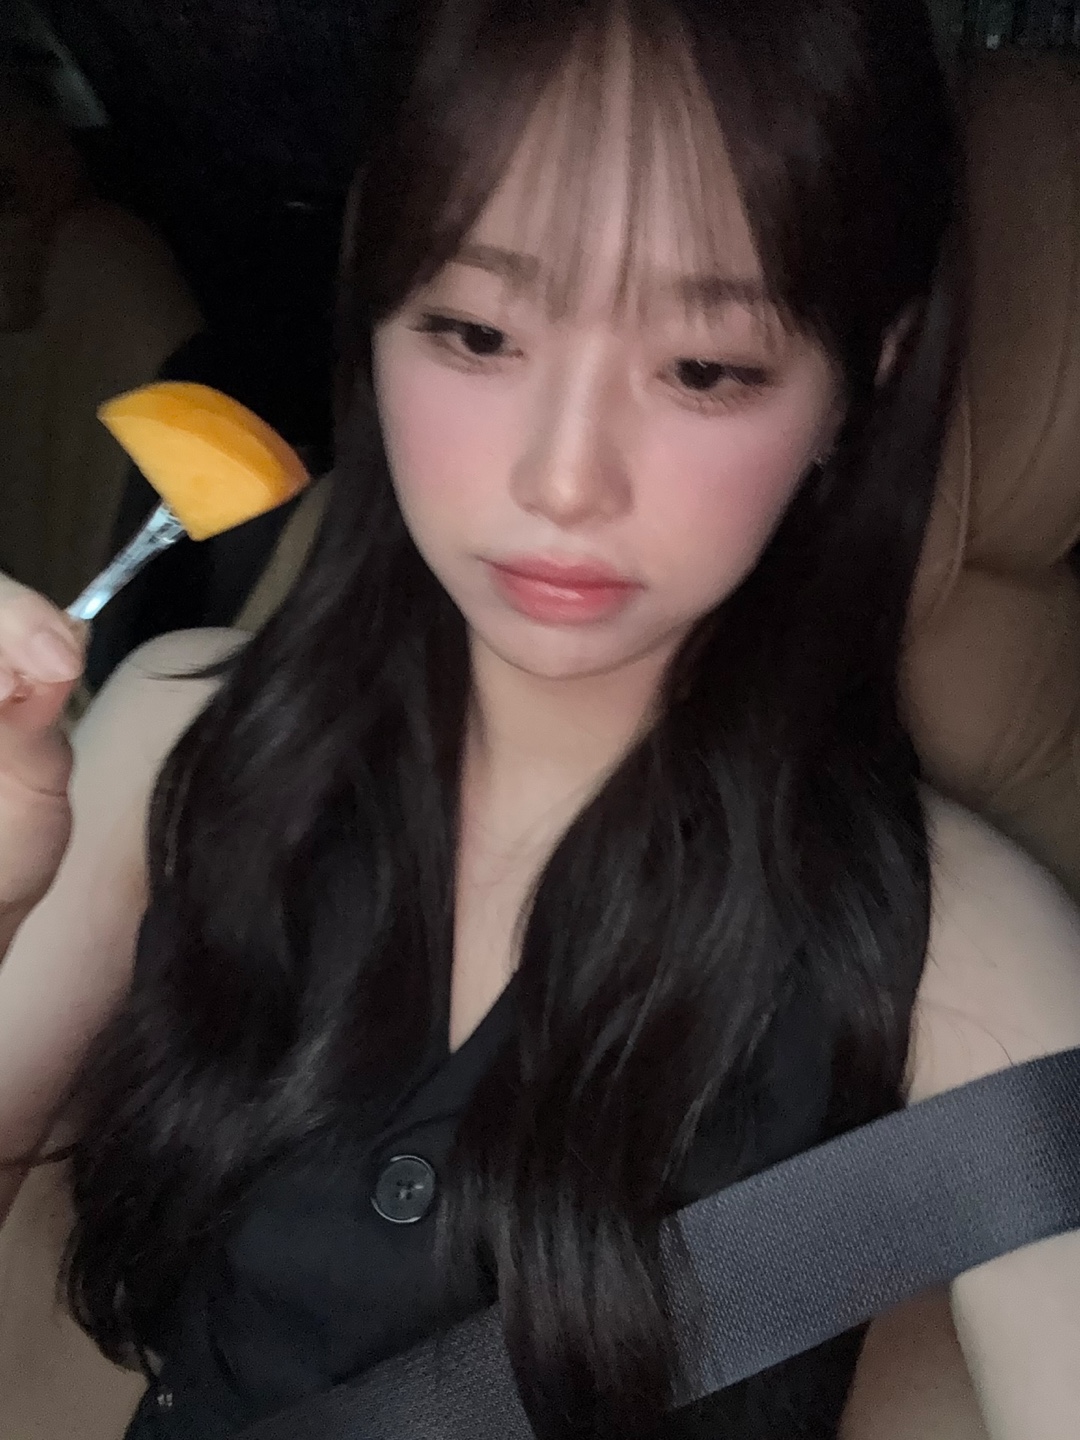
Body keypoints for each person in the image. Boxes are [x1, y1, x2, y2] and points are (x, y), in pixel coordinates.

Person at [1, 1, 1078, 1436]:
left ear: (854, 388)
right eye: (476, 331)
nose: (565, 480)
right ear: (374, 315)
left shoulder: (968, 968)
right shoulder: (170, 744)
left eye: (706, 368)